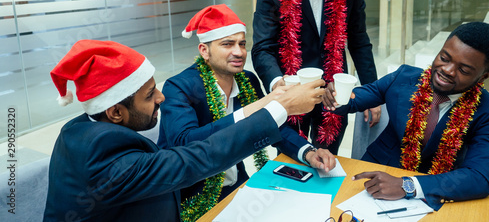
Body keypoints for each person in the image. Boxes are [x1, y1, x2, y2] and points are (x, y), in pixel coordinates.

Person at [43, 39, 325, 222]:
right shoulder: (103, 158)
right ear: (116, 112)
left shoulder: (78, 128)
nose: (161, 98)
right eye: (150, 94)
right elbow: (197, 157)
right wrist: (280, 107)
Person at [157, 4, 336, 220]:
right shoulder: (178, 87)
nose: (239, 52)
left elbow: (275, 124)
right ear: (204, 50)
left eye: (242, 44)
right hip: (190, 198)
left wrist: (308, 152)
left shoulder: (247, 80)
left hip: (236, 186)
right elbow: (186, 145)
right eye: (227, 44)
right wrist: (264, 105)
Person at [252, 0, 380, 155]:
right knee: (294, 160)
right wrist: (280, 85)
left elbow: (358, 40)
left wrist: (371, 92)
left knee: (327, 162)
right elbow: (263, 48)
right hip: (292, 91)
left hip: (335, 92)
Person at [330, 22, 489, 211]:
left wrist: (408, 186)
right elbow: (355, 100)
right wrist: (335, 96)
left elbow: (479, 177)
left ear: (484, 76)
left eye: (464, 70)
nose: (447, 70)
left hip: (436, 193)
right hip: (374, 177)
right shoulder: (404, 77)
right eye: (444, 58)